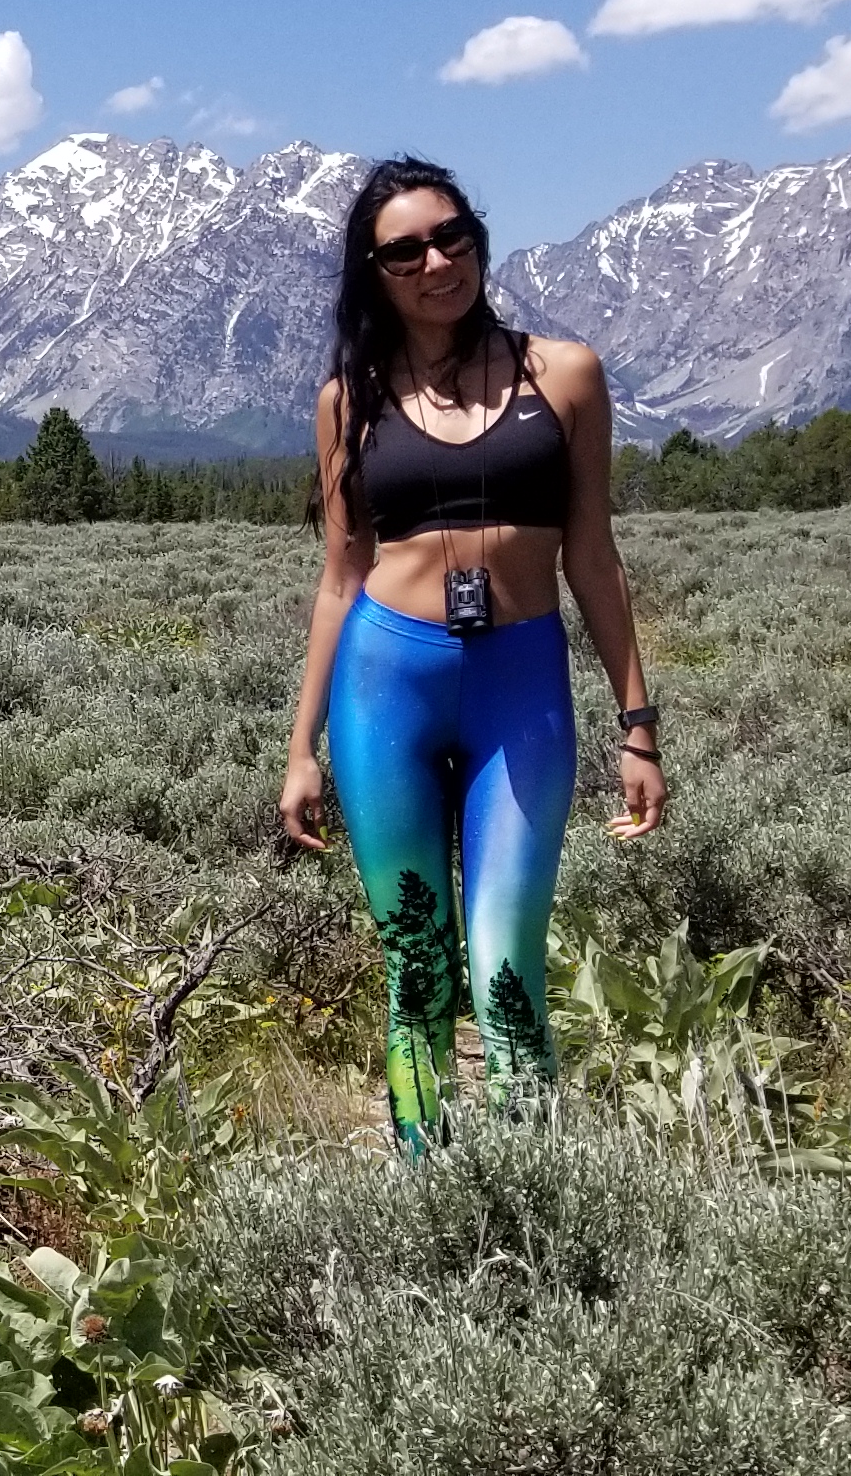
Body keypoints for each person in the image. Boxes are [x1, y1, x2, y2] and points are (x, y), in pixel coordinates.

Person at [277, 157, 667, 1155]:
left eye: (452, 236)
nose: (435, 261)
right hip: (384, 685)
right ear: (375, 271)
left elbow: (593, 554)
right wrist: (301, 747)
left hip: (521, 685)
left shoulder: (565, 373)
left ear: (479, 241)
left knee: (505, 963)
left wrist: (638, 725)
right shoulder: (347, 401)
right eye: (404, 249)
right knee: (416, 964)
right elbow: (339, 574)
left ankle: (528, 1189)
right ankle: (426, 1187)